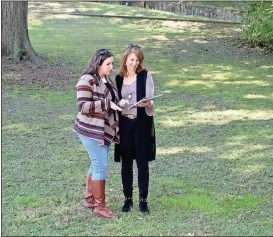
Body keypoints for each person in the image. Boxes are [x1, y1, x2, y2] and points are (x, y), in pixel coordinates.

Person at [73, 49, 122, 219]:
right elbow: (83, 106)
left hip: (105, 130)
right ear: (98, 64)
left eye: (112, 63)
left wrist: (119, 103)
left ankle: (89, 199)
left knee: (95, 164)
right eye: (108, 64)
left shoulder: (106, 79)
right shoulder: (86, 80)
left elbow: (111, 101)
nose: (111, 67)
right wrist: (107, 103)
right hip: (91, 131)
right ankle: (100, 207)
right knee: (100, 166)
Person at [114, 44, 156, 214]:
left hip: (141, 124)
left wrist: (148, 103)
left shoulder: (145, 76)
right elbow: (114, 101)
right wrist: (118, 104)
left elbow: (150, 98)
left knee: (142, 164)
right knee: (126, 164)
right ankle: (128, 199)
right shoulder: (118, 79)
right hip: (124, 125)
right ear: (125, 60)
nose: (135, 63)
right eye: (132, 59)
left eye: (137, 60)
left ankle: (143, 200)